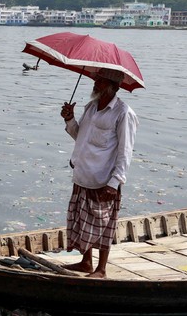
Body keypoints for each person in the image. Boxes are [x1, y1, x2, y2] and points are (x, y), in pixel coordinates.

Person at [59, 71, 138, 278]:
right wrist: (69, 119)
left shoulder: (123, 113)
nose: (95, 84)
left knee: (103, 224)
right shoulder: (91, 107)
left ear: (114, 86)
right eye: (96, 80)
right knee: (81, 219)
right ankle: (86, 262)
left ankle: (101, 269)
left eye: (100, 81)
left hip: (104, 179)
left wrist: (114, 183)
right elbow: (81, 137)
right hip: (83, 173)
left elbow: (125, 152)